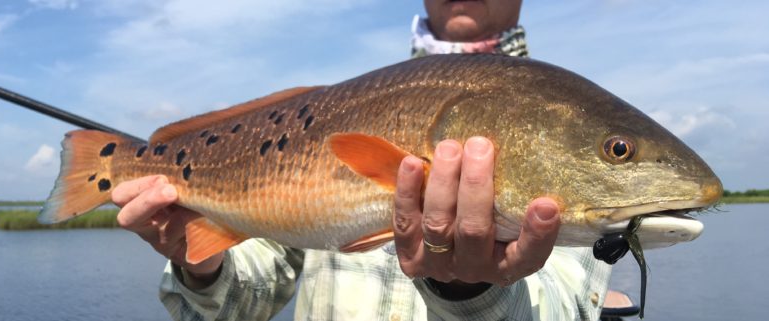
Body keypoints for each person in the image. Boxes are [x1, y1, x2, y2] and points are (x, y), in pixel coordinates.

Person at [113, 1, 612, 320]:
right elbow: (241, 303)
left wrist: (468, 293)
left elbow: (568, 306)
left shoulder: (580, 125)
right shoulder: (348, 103)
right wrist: (201, 263)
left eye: (617, 153)